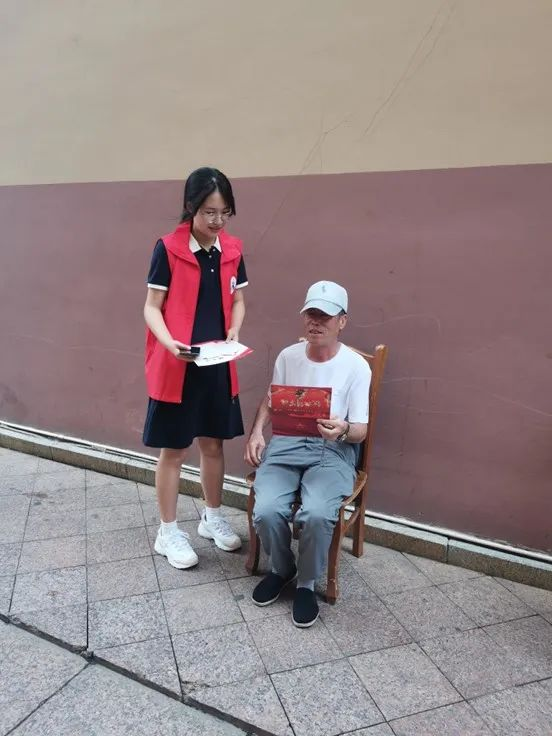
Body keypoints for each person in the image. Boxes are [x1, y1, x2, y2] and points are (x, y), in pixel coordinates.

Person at [245, 281, 371, 627]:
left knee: (316, 513)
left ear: (342, 321)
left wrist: (343, 429)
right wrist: (257, 432)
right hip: (286, 444)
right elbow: (272, 399)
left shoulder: (356, 367)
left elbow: (361, 430)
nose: (315, 322)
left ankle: (306, 583)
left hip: (332, 449)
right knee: (266, 509)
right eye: (310, 314)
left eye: (324, 316)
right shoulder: (289, 356)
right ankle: (282, 568)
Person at [143, 167, 248, 570]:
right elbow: (151, 308)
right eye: (209, 212)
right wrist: (171, 344)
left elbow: (238, 301)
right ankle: (167, 531)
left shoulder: (232, 249)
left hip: (216, 364)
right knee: (174, 449)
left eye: (224, 213)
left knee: (214, 445)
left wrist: (234, 329)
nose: (217, 221)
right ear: (191, 207)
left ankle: (212, 517)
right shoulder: (168, 249)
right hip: (178, 365)